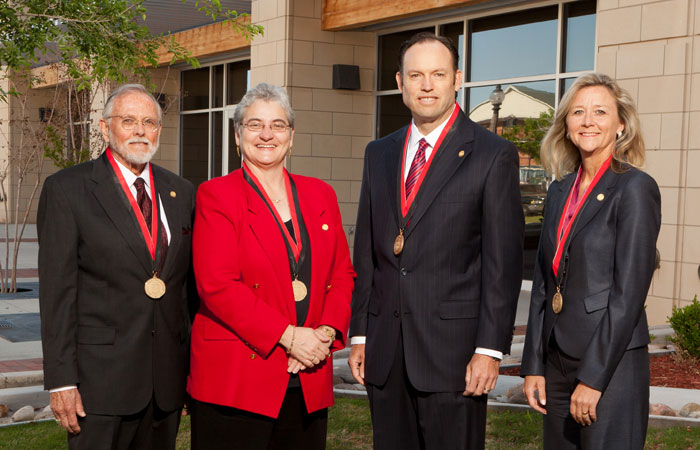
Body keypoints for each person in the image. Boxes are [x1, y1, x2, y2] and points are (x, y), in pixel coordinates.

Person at [348, 32, 524, 449]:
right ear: (400, 82)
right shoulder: (380, 152)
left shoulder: (491, 153)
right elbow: (369, 252)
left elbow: (503, 264)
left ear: (457, 78)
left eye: (438, 74)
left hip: (455, 356)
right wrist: (361, 335)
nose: (427, 85)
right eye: (416, 75)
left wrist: (489, 349)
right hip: (386, 352)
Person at [187, 82, 355, 450]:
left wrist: (324, 335)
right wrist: (290, 337)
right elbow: (218, 285)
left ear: (291, 136)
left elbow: (342, 275)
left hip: (307, 371)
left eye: (278, 125)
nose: (267, 135)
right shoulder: (216, 195)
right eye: (254, 124)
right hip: (237, 378)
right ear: (238, 135)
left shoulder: (320, 194)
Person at [38, 84, 195, 449]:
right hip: (99, 385)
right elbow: (57, 294)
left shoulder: (181, 192)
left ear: (159, 130)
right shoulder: (67, 189)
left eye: (149, 122)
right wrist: (62, 382)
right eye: (128, 120)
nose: (140, 130)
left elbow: (186, 291)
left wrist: (189, 373)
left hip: (165, 385)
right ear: (106, 128)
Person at [520, 72, 661, 449]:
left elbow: (628, 294)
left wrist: (594, 378)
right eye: (578, 112)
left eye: (600, 112)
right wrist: (534, 365)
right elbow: (542, 286)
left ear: (620, 125)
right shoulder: (559, 190)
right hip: (558, 362)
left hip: (609, 366)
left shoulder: (634, 188)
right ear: (566, 124)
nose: (588, 121)